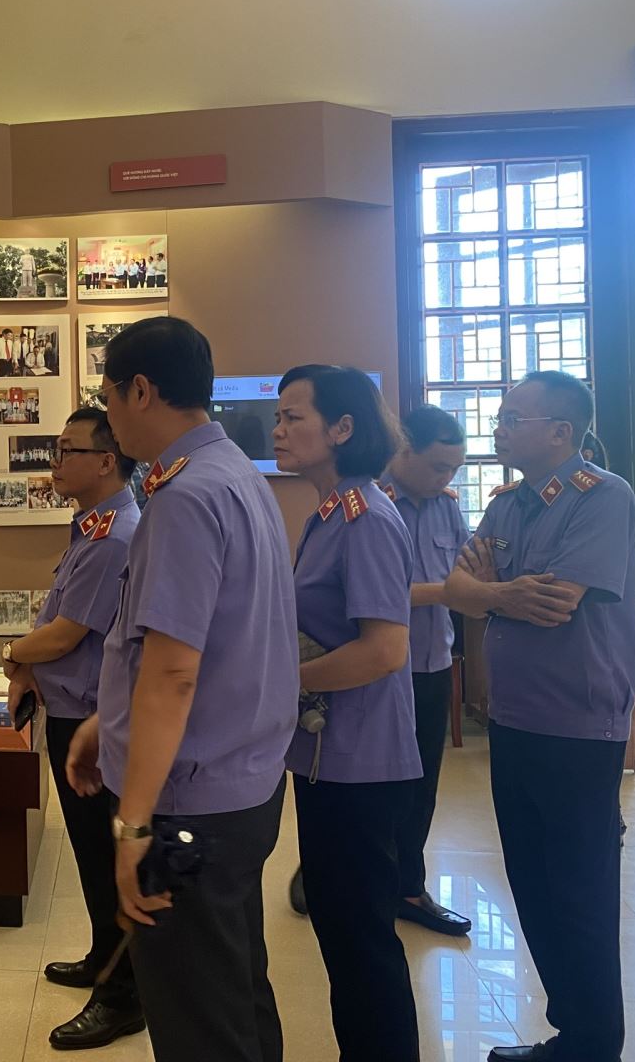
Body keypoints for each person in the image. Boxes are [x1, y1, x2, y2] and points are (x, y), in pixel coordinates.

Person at [66, 317, 298, 1062]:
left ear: (141, 390)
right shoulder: (235, 474)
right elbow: (207, 640)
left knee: (199, 1015)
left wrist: (133, 826)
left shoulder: (184, 497)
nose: (109, 415)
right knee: (234, 987)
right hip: (242, 783)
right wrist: (109, 718)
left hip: (188, 803)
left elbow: (174, 671)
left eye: (109, 395)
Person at [445, 371, 635, 1062]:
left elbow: (554, 602)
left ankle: (595, 1044)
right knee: (531, 883)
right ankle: (572, 1033)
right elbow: (460, 590)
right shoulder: (509, 505)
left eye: (512, 418)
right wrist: (500, 592)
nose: (497, 429)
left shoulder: (603, 496)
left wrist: (488, 590)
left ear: (561, 432)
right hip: (516, 717)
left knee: (579, 891)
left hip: (577, 724)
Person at [273, 364, 421, 1062]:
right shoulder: (329, 512)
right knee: (341, 930)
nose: (278, 429)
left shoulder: (366, 517)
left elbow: (384, 650)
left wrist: (279, 685)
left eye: (293, 417)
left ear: (341, 428)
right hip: (328, 752)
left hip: (361, 758)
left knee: (361, 940)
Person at [1, 408, 143, 1050]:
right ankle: (102, 959)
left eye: (67, 451)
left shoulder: (113, 536)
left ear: (107, 461)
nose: (54, 462)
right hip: (70, 709)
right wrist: (27, 665)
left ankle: (122, 995)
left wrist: (12, 653)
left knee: (104, 855)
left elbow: (63, 635)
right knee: (90, 853)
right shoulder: (93, 525)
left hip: (90, 720)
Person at [382, 404, 474, 937]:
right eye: (440, 467)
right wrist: (449, 592)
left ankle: (409, 887)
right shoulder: (370, 503)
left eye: (454, 469)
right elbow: (372, 594)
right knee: (373, 785)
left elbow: (467, 569)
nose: (447, 478)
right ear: (403, 450)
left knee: (422, 785)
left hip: (433, 665)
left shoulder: (447, 509)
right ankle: (342, 872)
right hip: (379, 670)